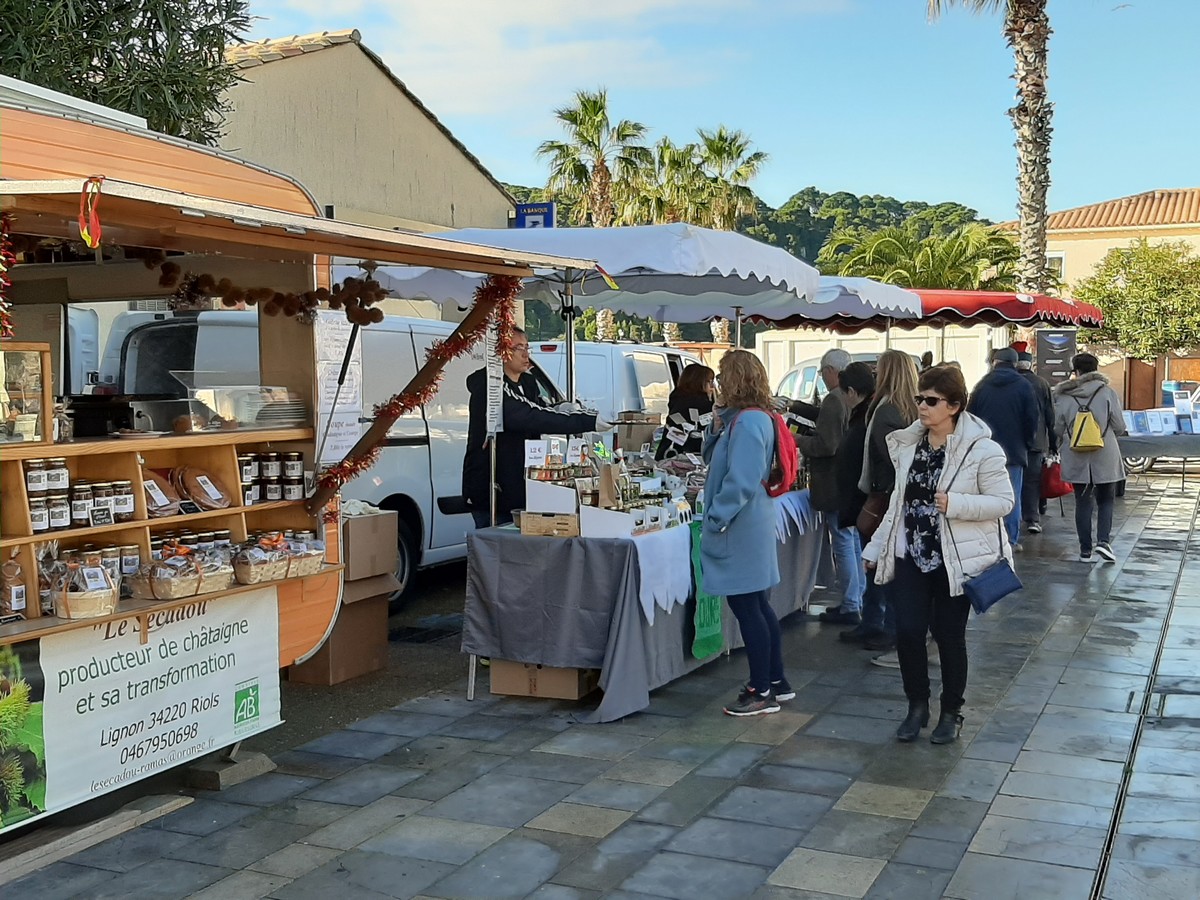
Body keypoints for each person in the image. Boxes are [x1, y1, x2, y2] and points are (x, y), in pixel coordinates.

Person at [863, 365, 1013, 744]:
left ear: (955, 406)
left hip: (954, 560)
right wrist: (877, 548)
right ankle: (917, 706)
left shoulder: (982, 450)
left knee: (949, 637)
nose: (922, 407)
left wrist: (956, 503)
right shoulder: (909, 445)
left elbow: (1004, 502)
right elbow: (898, 504)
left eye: (931, 401)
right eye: (919, 399)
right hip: (911, 555)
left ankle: (951, 711)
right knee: (909, 633)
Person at [702, 350, 791, 717]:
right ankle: (776, 682)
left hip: (740, 526)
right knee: (755, 605)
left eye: (722, 377)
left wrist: (715, 518)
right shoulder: (742, 419)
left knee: (748, 607)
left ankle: (761, 689)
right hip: (746, 524)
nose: (717, 384)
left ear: (734, 381)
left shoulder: (751, 422)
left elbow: (740, 480)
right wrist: (715, 425)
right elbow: (713, 458)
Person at [463, 328, 605, 528]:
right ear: (502, 351)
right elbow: (528, 416)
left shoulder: (528, 382)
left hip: (524, 486)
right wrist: (586, 421)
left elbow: (541, 408)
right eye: (518, 347)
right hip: (494, 488)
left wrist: (562, 408)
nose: (525, 353)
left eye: (527, 347)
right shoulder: (490, 385)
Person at [841, 349, 920, 652]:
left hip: (884, 496)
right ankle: (875, 622)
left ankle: (885, 626)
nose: (874, 374)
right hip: (894, 495)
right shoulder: (909, 407)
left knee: (879, 563)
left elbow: (890, 455)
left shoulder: (887, 409)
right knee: (885, 563)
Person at [794, 348, 860, 625]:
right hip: (847, 481)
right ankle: (856, 598)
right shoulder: (845, 398)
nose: (822, 377)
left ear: (833, 372)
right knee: (852, 541)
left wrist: (796, 441)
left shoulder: (835, 399)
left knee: (844, 542)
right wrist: (796, 407)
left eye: (822, 372)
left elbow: (826, 444)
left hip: (833, 482)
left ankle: (851, 603)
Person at [1053, 353, 1126, 562]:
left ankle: (1085, 550)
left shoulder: (1064, 396)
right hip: (1105, 454)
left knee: (1082, 502)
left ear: (1075, 371)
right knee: (1106, 500)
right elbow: (1120, 426)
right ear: (1096, 368)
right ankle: (1103, 542)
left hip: (1076, 455)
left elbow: (1058, 427)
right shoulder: (1107, 393)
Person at [966, 347, 1036, 549]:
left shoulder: (982, 385)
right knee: (1011, 496)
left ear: (995, 362)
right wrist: (1027, 442)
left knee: (985, 496)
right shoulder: (1024, 385)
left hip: (984, 450)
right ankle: (1011, 540)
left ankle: (988, 539)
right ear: (1015, 364)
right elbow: (1032, 419)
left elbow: (971, 417)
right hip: (1014, 451)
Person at [831, 362, 875, 638]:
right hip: (861, 497)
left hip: (862, 499)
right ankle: (862, 610)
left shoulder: (866, 417)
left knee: (862, 554)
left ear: (851, 391)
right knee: (861, 553)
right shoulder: (866, 413)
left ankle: (865, 615)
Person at [1012, 342, 1057, 534]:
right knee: (1032, 481)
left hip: (1010, 441)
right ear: (1030, 365)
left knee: (1010, 480)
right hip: (1036, 442)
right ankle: (1032, 518)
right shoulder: (1041, 383)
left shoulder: (1009, 382)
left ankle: (1010, 519)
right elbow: (1050, 417)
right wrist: (1054, 445)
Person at [655, 363, 716, 460]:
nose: (712, 386)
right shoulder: (703, 404)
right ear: (701, 383)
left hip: (667, 452)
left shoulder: (676, 397)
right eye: (710, 382)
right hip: (690, 455)